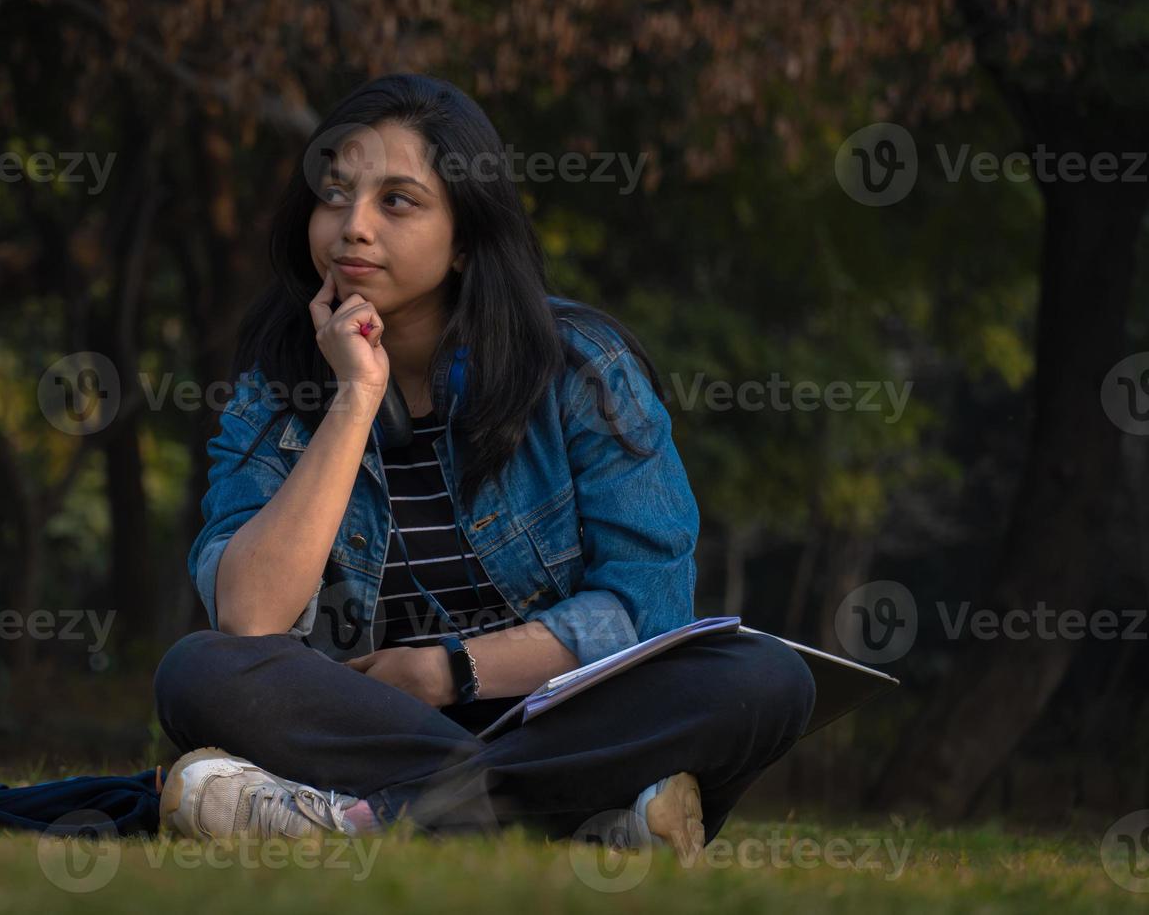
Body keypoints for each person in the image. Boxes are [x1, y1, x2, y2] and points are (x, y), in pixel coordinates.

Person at [154, 73, 815, 858]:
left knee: (764, 679)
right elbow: (251, 617)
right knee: (198, 671)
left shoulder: (581, 369)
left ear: (464, 236)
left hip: (558, 718)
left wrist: (447, 672)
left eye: (397, 202)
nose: (352, 227)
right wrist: (355, 398)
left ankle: (361, 819)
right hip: (362, 725)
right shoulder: (277, 383)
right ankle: (582, 821)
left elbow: (649, 611)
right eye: (335, 196)